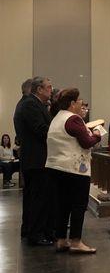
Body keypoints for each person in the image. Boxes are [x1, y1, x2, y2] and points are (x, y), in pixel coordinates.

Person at [46, 88, 101, 253]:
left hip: (55, 167)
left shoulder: (57, 118)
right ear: (72, 104)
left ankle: (61, 239)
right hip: (74, 169)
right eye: (79, 102)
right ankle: (76, 241)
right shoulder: (73, 119)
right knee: (78, 205)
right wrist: (97, 134)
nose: (81, 104)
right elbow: (86, 142)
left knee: (62, 205)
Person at [13, 76, 54, 245]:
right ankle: (36, 234)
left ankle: (30, 229)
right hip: (37, 159)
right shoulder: (31, 104)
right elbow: (40, 129)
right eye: (49, 87)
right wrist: (60, 130)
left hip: (34, 158)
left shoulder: (30, 103)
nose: (51, 90)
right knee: (38, 197)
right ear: (39, 89)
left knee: (33, 197)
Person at [12, 79, 32, 237]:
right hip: (32, 156)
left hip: (28, 155)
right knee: (33, 195)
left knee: (30, 195)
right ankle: (32, 229)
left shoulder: (22, 104)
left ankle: (29, 227)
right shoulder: (27, 105)